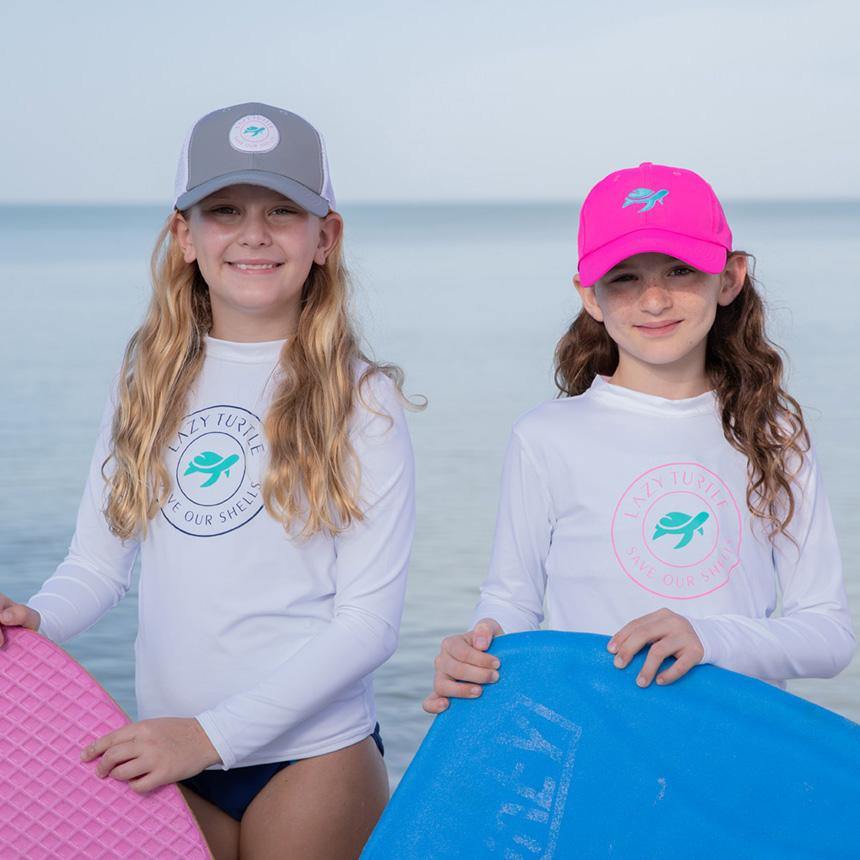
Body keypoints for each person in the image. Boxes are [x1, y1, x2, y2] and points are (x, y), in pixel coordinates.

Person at [0, 102, 416, 860]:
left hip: (310, 756)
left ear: (325, 237)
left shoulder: (363, 397)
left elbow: (367, 624)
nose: (253, 233)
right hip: (170, 752)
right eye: (224, 210)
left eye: (282, 211)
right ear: (185, 236)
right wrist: (36, 621)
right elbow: (97, 564)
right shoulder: (148, 378)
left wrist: (209, 737)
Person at [424, 162, 854, 716]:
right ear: (590, 295)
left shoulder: (772, 433)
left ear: (729, 277)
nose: (654, 301)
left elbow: (828, 633)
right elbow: (512, 601)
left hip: (735, 739)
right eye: (624, 277)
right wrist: (476, 650)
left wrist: (709, 638)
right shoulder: (545, 437)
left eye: (679, 271)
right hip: (595, 738)